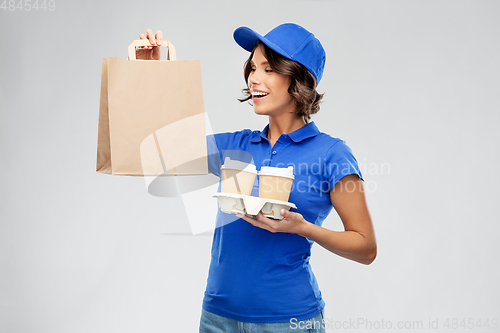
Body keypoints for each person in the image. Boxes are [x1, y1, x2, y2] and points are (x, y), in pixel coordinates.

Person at [136, 24, 376, 333]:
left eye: (269, 68)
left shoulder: (332, 154)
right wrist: (155, 76)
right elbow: (161, 146)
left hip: (288, 322)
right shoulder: (236, 144)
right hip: (217, 318)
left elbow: (366, 247)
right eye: (252, 67)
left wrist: (303, 228)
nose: (254, 78)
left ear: (299, 79)